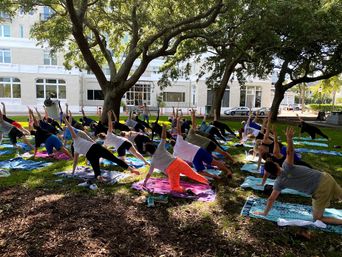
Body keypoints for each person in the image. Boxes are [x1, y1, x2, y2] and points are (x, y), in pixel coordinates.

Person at [254, 127, 342, 225]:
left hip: (320, 190)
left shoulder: (279, 182)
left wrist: (264, 212)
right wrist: (289, 139)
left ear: (271, 173)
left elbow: (271, 199)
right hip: (326, 177)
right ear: (277, 164)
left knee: (318, 218)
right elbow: (290, 152)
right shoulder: (286, 166)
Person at [64, 116, 140, 181]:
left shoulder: (75, 150)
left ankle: (99, 177)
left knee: (96, 171)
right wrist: (67, 122)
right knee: (114, 159)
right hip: (95, 148)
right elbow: (71, 129)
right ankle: (131, 170)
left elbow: (75, 162)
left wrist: (73, 172)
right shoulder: (76, 138)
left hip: (90, 155)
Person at [143, 123, 209, 193]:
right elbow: (163, 138)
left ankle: (186, 191)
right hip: (178, 162)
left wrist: (145, 182)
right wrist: (164, 128)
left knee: (175, 187)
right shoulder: (160, 148)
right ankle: (208, 182)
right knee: (194, 175)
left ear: (148, 152)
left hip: (171, 170)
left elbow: (149, 173)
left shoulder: (153, 162)